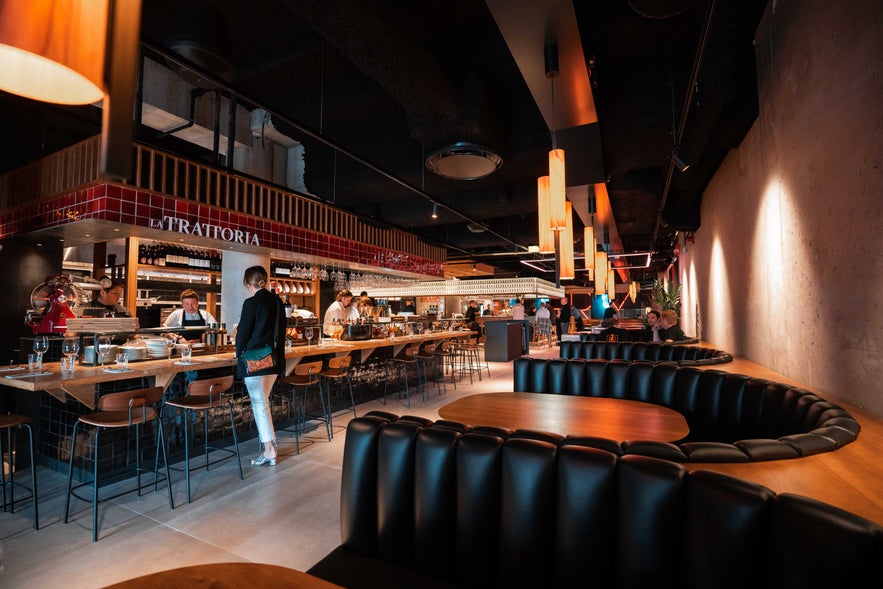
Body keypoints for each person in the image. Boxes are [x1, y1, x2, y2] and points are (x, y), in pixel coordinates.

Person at [235, 266, 286, 467]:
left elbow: (242, 334)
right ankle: (270, 446)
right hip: (273, 360)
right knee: (263, 404)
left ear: (248, 284)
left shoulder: (251, 302)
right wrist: (279, 359)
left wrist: (238, 354)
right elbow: (281, 332)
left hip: (255, 360)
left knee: (259, 405)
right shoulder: (277, 301)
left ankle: (269, 449)